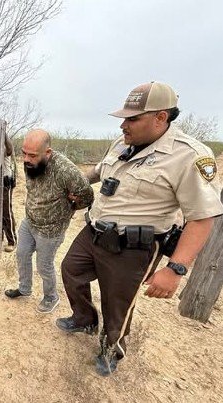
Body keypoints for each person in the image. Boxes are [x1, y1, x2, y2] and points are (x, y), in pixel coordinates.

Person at [56, 81, 223, 376]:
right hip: (93, 232)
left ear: (161, 117)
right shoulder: (123, 142)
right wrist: (79, 183)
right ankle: (84, 318)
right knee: (71, 270)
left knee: (117, 302)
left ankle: (111, 349)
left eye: (133, 118)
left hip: (133, 247)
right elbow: (101, 170)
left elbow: (201, 218)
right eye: (124, 117)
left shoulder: (189, 156)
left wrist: (175, 269)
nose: (124, 124)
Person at [4, 129, 94, 314]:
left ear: (48, 153)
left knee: (44, 266)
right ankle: (24, 289)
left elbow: (87, 195)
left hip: (51, 229)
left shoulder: (66, 170)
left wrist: (72, 205)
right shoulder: (30, 164)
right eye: (24, 153)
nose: (26, 159)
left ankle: (51, 297)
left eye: (32, 155)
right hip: (30, 221)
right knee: (21, 254)